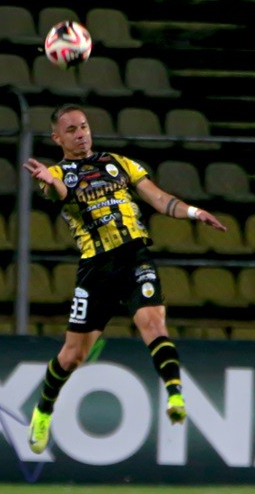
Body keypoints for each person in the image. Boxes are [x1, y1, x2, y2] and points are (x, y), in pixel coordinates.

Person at [23, 104, 227, 454]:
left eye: (84, 126)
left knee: (153, 322)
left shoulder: (119, 163)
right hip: (96, 269)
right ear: (57, 138)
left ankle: (175, 395)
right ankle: (43, 410)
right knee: (73, 355)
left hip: (134, 257)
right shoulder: (58, 172)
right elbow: (58, 191)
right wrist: (50, 181)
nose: (81, 133)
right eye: (71, 130)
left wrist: (194, 212)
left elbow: (160, 199)